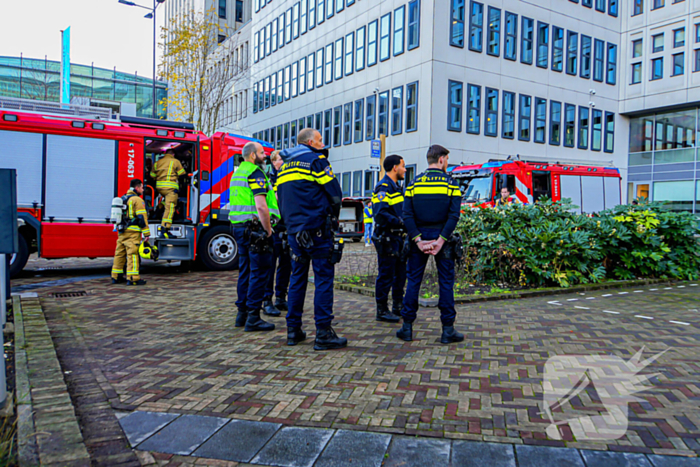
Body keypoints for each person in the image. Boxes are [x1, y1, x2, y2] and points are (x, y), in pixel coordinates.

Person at [277, 128, 347, 351]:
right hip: (317, 231)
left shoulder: (284, 167)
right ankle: (323, 334)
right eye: (320, 140)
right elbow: (335, 193)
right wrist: (333, 217)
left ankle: (293, 330)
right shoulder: (317, 161)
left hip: (294, 233)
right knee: (323, 280)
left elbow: (281, 198)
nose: (322, 142)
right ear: (310, 142)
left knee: (297, 279)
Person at [397, 144, 465, 344]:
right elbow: (454, 216)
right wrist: (441, 240)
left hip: (419, 237)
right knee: (445, 283)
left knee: (413, 282)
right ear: (442, 159)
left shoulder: (413, 184)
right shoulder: (451, 184)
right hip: (442, 238)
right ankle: (447, 330)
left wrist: (418, 239)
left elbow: (406, 215)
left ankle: (407, 328)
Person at [230, 142, 280, 332]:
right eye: (261, 153)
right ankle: (253, 318)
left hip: (240, 229)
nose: (265, 155)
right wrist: (268, 230)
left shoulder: (238, 173)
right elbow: (261, 206)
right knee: (259, 273)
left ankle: (241, 314)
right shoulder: (255, 173)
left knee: (245, 271)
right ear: (252, 156)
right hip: (256, 230)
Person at [372, 155, 407, 323]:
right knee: (386, 274)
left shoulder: (396, 187)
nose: (405, 170)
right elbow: (379, 214)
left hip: (398, 237)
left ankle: (398, 306)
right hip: (387, 237)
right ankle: (382, 310)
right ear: (395, 168)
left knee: (400, 274)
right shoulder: (383, 187)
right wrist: (399, 221)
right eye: (403, 166)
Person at [262, 150, 292, 316]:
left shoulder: (288, 179)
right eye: (278, 159)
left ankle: (281, 297)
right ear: (273, 162)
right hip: (273, 227)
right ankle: (267, 299)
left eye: (282, 159)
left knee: (286, 264)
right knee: (270, 265)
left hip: (286, 227)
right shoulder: (268, 179)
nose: (281, 162)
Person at [111, 179, 150, 286]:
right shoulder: (137, 200)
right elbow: (142, 218)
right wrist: (146, 233)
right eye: (142, 187)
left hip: (122, 231)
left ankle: (116, 276)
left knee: (119, 253)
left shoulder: (123, 198)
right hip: (133, 232)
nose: (143, 190)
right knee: (132, 254)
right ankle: (133, 278)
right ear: (137, 188)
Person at [150, 149, 187, 236]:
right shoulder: (175, 162)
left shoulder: (157, 162)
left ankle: (157, 211)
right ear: (173, 154)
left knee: (166, 201)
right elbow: (182, 174)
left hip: (159, 188)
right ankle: (165, 228)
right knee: (170, 207)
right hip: (170, 188)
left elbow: (152, 176)